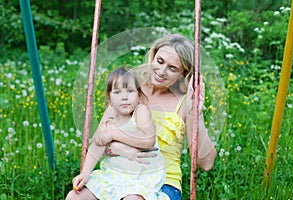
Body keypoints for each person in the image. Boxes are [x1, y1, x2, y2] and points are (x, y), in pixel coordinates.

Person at [93, 33, 217, 200]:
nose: (161, 71)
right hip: (120, 174)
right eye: (159, 61)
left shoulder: (184, 103)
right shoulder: (129, 91)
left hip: (164, 183)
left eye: (172, 68)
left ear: (184, 74)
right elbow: (98, 140)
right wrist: (114, 148)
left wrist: (195, 113)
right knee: (75, 196)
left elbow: (206, 163)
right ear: (153, 56)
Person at [66, 67, 167, 200]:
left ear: (139, 94)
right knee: (74, 196)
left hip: (141, 176)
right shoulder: (110, 113)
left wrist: (114, 134)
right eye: (117, 92)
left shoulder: (140, 111)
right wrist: (84, 174)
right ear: (109, 98)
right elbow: (98, 142)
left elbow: (148, 141)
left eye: (130, 91)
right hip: (113, 174)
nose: (124, 97)